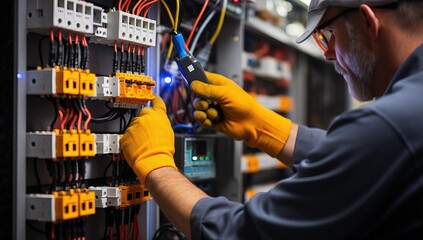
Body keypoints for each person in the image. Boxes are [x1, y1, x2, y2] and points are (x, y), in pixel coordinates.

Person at [120, 0, 423, 239]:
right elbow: (365, 161)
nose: (329, 53)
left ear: (368, 22)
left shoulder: (390, 126)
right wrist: (263, 126)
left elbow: (240, 233)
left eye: (329, 35)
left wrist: (156, 164)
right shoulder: (407, 113)